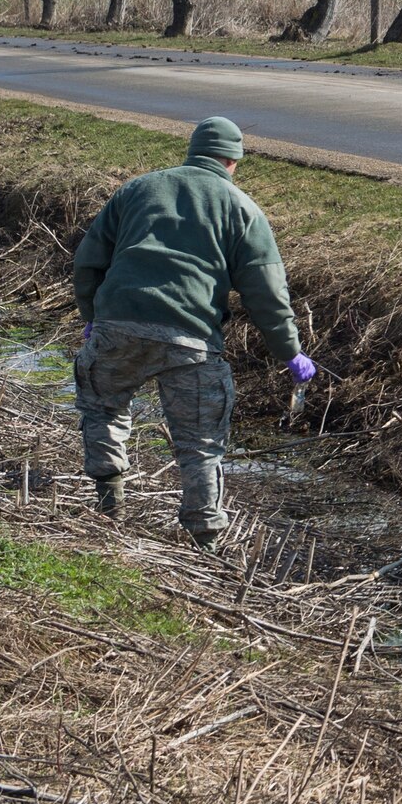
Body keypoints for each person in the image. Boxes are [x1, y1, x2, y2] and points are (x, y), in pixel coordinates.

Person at [73, 117, 317, 553]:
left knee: (104, 409)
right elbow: (267, 295)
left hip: (117, 327)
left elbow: (88, 261)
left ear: (192, 151)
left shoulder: (136, 190)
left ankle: (110, 512)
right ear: (234, 161)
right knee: (200, 445)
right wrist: (290, 352)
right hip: (192, 341)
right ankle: (205, 544)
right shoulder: (242, 208)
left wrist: (93, 315)